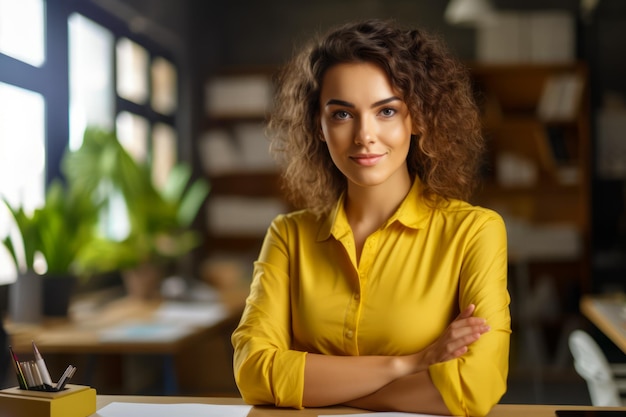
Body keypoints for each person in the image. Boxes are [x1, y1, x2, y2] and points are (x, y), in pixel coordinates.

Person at [231, 18, 510, 417]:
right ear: (319, 126)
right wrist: (410, 364)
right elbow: (253, 373)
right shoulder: (288, 236)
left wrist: (317, 388)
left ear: (418, 118)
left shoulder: (474, 232)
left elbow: (473, 386)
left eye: (387, 111)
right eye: (342, 114)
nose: (364, 135)